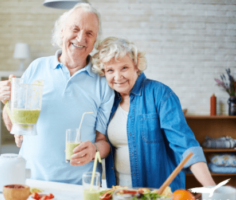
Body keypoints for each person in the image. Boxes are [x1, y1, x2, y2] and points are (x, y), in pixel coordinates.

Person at [0, 3, 114, 184]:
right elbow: (13, 119)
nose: (81, 38)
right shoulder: (37, 67)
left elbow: (104, 141)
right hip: (30, 181)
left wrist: (94, 151)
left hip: (79, 187)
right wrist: (7, 100)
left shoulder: (102, 81)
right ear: (61, 31)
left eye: (89, 33)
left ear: (95, 40)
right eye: (75, 29)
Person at [92, 37, 216, 191]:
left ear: (136, 66)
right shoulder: (108, 102)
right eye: (110, 70)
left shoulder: (160, 94)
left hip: (158, 194)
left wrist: (212, 188)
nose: (118, 77)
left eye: (124, 67)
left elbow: (186, 145)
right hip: (119, 193)